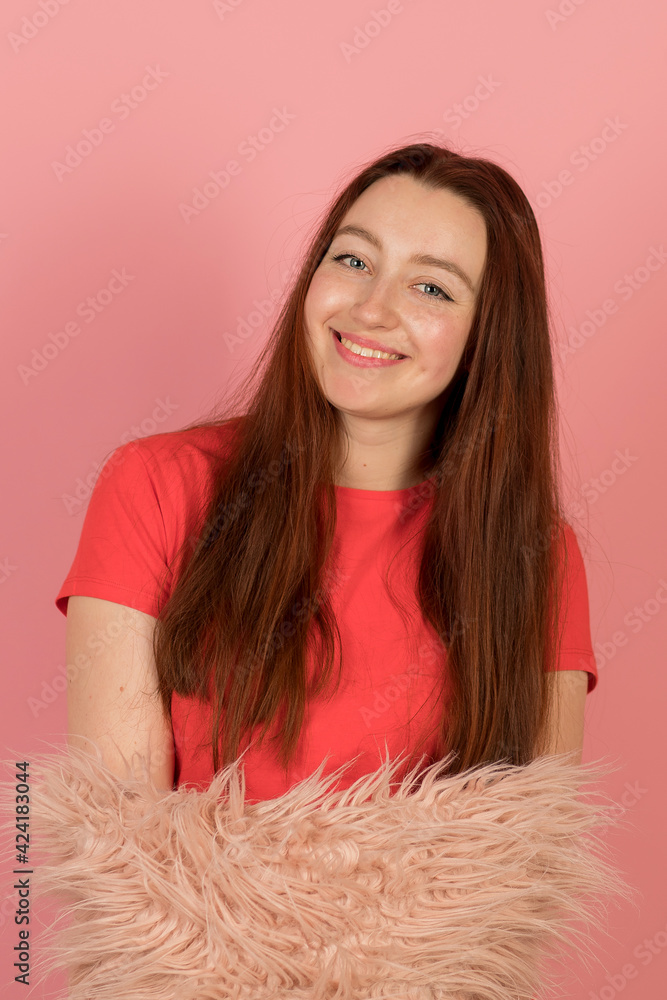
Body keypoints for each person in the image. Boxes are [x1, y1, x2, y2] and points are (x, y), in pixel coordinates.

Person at [56, 140, 598, 804]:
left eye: (430, 287)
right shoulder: (156, 486)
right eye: (353, 260)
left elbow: (531, 846)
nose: (371, 309)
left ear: (485, 338)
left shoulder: (538, 554)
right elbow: (117, 832)